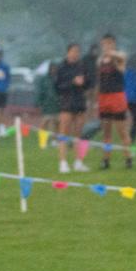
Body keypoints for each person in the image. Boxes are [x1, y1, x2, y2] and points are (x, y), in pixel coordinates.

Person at [95, 34, 131, 169]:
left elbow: (123, 58)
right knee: (106, 131)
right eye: (104, 44)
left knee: (122, 130)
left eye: (109, 43)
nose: (106, 46)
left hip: (117, 96)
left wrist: (112, 53)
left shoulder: (118, 58)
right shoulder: (100, 60)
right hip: (104, 96)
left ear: (114, 44)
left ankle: (128, 158)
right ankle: (106, 159)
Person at [54, 43, 91, 173]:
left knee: (79, 133)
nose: (75, 54)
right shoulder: (61, 67)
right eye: (73, 51)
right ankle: (63, 162)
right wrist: (72, 83)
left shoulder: (82, 66)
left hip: (80, 102)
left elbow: (88, 84)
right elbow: (57, 87)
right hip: (66, 103)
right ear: (68, 52)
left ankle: (78, 161)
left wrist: (84, 82)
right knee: (63, 133)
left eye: (77, 51)